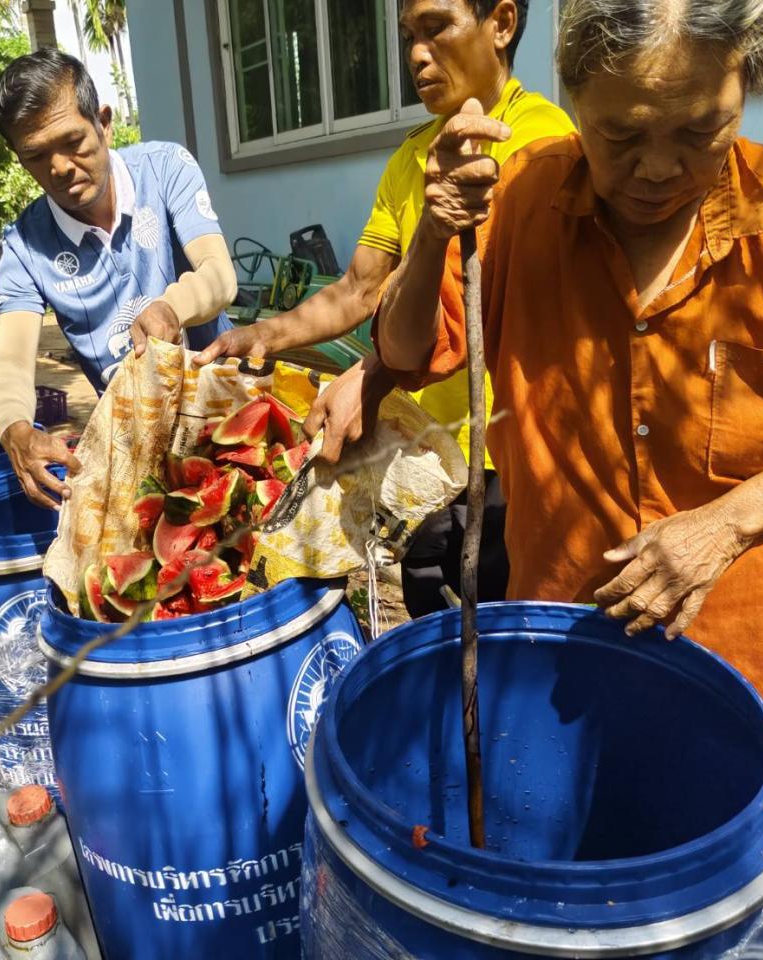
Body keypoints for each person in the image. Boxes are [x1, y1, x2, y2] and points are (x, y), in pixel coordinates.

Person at [375, 0, 763, 916]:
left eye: (702, 130)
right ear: (571, 94)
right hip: (566, 684)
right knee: (591, 902)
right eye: (619, 133)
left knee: (762, 917)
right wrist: (433, 229)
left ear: (748, 88)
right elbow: (402, 345)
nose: (659, 167)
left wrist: (728, 523)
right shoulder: (517, 203)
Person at [195, 0, 574, 619]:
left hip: (513, 460)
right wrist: (265, 333)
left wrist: (372, 373)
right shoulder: (410, 159)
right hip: (425, 460)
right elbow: (357, 289)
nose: (417, 55)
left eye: (436, 29)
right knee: (435, 625)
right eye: (408, 36)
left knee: (508, 635)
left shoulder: (541, 139)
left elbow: (478, 292)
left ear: (501, 24)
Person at [0, 49, 237, 508]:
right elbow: (11, 360)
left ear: (103, 122)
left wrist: (171, 307)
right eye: (37, 156)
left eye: (72, 142)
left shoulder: (165, 170)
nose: (60, 167)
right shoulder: (24, 246)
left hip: (228, 410)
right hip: (136, 444)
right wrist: (14, 427)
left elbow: (220, 275)